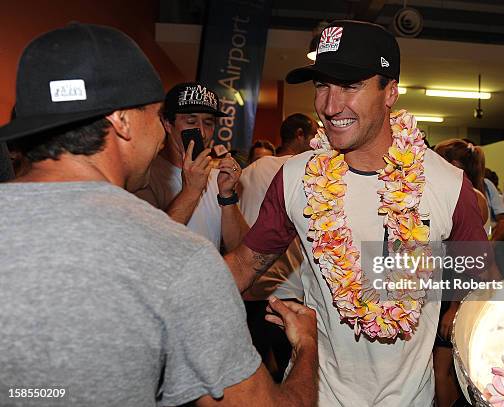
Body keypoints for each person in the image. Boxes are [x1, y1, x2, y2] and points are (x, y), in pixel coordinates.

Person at [0, 23, 318, 407]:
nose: (161, 131)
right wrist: (306, 348)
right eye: (154, 115)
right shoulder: (175, 255)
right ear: (122, 121)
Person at [224, 20, 489, 406]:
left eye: (350, 85)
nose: (330, 106)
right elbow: (244, 264)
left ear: (390, 92)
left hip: (411, 398)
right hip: (320, 393)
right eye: (322, 85)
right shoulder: (296, 178)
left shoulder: (447, 185)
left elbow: (482, 279)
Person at [239, 113, 318, 382]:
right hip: (287, 291)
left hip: (246, 287)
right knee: (292, 371)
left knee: (251, 374)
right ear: (299, 135)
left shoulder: (250, 171)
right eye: (313, 134)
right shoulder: (307, 170)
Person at [136, 82, 247, 251]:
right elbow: (150, 247)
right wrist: (191, 190)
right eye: (191, 121)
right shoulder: (145, 175)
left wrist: (227, 196)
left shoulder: (218, 178)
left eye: (208, 123)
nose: (201, 132)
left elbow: (241, 251)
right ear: (167, 124)